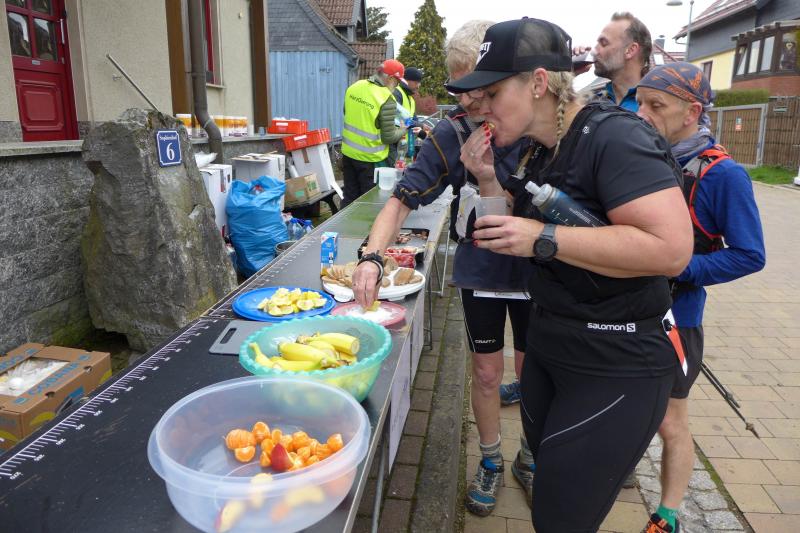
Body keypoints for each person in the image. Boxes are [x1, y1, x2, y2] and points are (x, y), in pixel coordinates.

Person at [448, 17, 693, 532]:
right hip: (551, 344)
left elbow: (672, 249)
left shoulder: (614, 137)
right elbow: (511, 225)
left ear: (538, 82)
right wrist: (487, 177)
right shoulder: (539, 147)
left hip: (616, 358)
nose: (481, 107)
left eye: (492, 93)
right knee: (550, 501)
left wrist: (545, 238)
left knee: (560, 516)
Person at [351, 20, 535, 517]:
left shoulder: (535, 125)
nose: (470, 100)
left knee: (534, 372)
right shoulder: (452, 132)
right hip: (483, 269)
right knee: (486, 372)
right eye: (459, 87)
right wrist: (372, 257)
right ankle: (491, 459)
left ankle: (531, 454)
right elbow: (400, 199)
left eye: (481, 87)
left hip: (538, 272)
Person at [635, 63, 766, 533]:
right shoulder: (640, 157)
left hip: (678, 318)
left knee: (670, 421)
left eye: (656, 105)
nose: (642, 114)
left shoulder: (724, 175)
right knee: (628, 406)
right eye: (639, 103)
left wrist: (680, 266)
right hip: (626, 308)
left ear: (692, 112)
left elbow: (750, 255)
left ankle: (667, 515)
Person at [340, 59, 408, 207]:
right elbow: (388, 137)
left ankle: (344, 222)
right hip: (370, 159)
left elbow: (346, 112)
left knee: (349, 198)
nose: (397, 86)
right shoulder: (386, 98)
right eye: (397, 82)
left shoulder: (355, 86)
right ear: (390, 78)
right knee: (368, 202)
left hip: (348, 153)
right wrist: (403, 129)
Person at [574, 12, 652, 111]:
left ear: (630, 50)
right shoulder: (592, 103)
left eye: (603, 43)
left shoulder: (657, 106)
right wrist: (568, 71)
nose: (593, 51)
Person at [390, 67, 424, 164]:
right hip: (394, 145)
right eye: (416, 82)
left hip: (404, 146)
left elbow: (414, 120)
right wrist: (421, 125)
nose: (418, 86)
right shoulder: (396, 93)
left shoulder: (411, 99)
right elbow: (399, 119)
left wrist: (422, 129)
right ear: (407, 80)